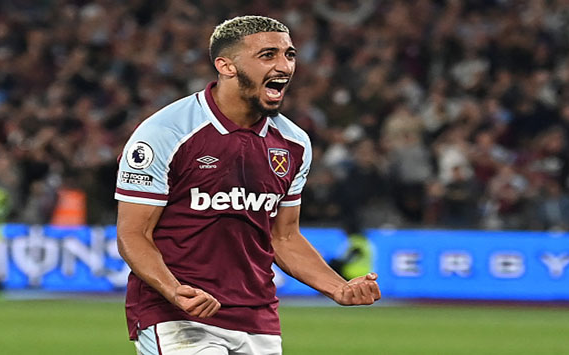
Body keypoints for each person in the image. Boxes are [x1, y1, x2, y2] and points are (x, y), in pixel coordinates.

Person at [115, 15, 381, 355]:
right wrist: (173, 289)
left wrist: (338, 288)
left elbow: (283, 236)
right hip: (177, 315)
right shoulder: (166, 133)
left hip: (258, 317)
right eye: (268, 55)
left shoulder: (293, 142)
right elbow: (133, 234)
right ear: (225, 65)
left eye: (290, 54)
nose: (284, 65)